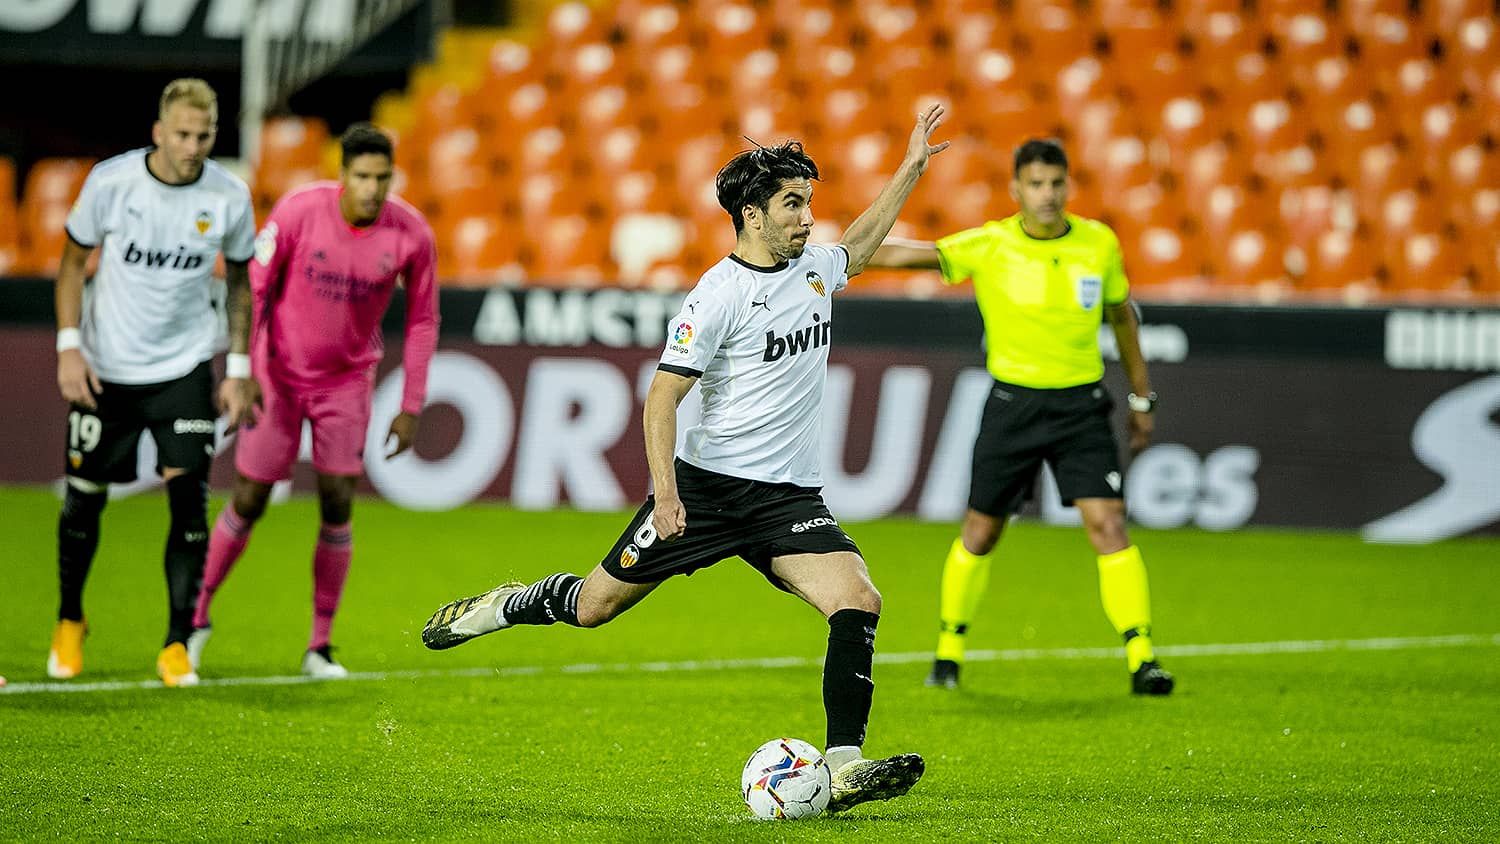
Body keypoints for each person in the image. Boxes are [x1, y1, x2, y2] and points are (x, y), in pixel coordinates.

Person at [422, 105, 950, 812]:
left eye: (810, 204)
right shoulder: (719, 295)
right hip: (706, 492)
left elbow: (861, 240)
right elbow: (662, 399)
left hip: (787, 499)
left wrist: (911, 168)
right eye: (793, 204)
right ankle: (508, 604)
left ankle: (845, 764)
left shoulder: (819, 270)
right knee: (593, 608)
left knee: (858, 599)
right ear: (752, 216)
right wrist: (666, 495)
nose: (807, 219)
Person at [870, 138, 1175, 695]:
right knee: (981, 532)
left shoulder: (1098, 244)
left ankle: (1142, 656)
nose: (1047, 194)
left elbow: (1123, 320)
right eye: (1036, 184)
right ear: (1016, 190)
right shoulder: (991, 244)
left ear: (1068, 186)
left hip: (1082, 407)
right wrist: (830, 255)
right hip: (1013, 407)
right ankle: (948, 649)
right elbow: (902, 254)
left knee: (1108, 525)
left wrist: (1140, 397)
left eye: (1056, 183)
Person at [189, 123, 439, 679]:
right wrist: (247, 369)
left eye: (381, 177)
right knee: (250, 498)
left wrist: (412, 403)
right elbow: (254, 287)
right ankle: (194, 620)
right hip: (277, 375)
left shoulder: (413, 234)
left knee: (337, 502)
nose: (372, 188)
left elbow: (422, 320)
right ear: (343, 175)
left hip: (346, 383)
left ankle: (319, 645)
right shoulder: (300, 211)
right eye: (361, 176)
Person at [49, 78, 259, 688]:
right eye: (184, 135)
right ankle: (70, 618)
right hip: (108, 365)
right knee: (83, 499)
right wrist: (69, 348)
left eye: (205, 135)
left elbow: (241, 284)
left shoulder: (228, 196)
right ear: (158, 132)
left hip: (185, 365)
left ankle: (176, 639)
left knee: (189, 499)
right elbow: (70, 265)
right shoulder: (112, 183)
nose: (194, 147)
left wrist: (239, 368)